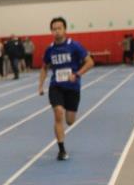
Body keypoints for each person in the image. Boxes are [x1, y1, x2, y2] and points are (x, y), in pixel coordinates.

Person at [37, 17, 94, 161]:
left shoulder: (74, 46)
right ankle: (61, 150)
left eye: (59, 28)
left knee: (70, 121)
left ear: (65, 29)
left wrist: (77, 74)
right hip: (56, 86)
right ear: (51, 31)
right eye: (54, 29)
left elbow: (90, 62)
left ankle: (68, 121)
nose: (56, 31)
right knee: (58, 113)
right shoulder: (50, 49)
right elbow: (44, 68)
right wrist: (40, 85)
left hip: (72, 87)